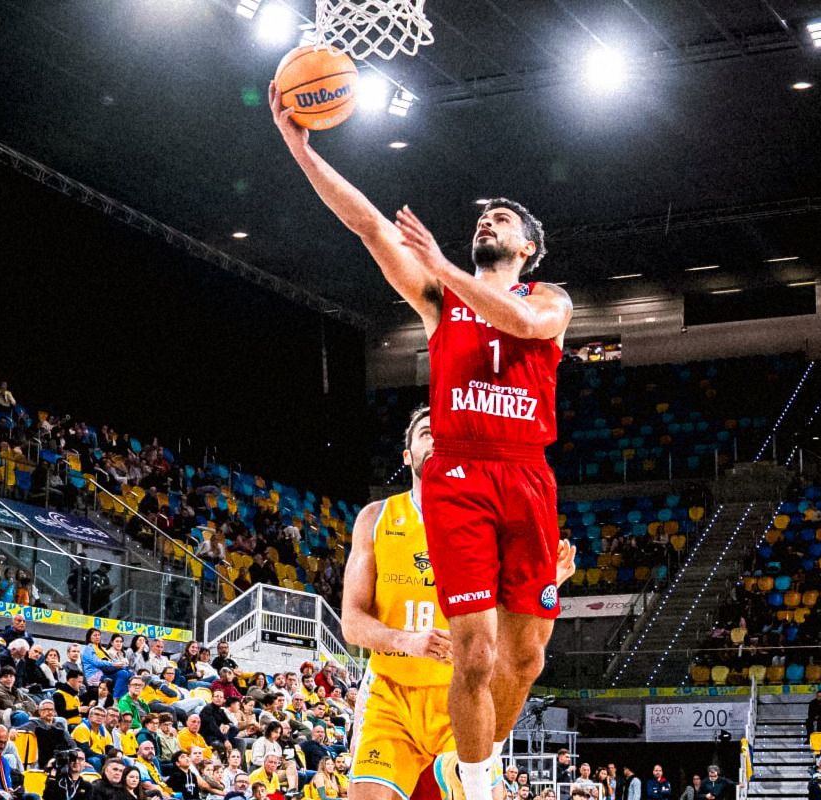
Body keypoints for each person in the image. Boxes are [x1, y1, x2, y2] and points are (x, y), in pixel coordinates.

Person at [272, 82, 573, 800]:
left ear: (525, 247)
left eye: (503, 220)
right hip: (462, 477)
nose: (489, 222)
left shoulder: (550, 299)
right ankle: (471, 784)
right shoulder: (441, 301)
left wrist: (443, 266)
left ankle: (465, 766)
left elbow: (527, 328)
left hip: (527, 474)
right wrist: (301, 150)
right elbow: (372, 227)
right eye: (485, 218)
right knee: (473, 650)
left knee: (525, 659)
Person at [341, 407, 576, 800]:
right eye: (425, 433)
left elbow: (511, 624)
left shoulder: (491, 522)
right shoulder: (376, 518)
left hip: (464, 693)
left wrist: (543, 586)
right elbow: (351, 621)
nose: (435, 440)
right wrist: (407, 641)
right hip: (391, 694)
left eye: (444, 434)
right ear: (407, 454)